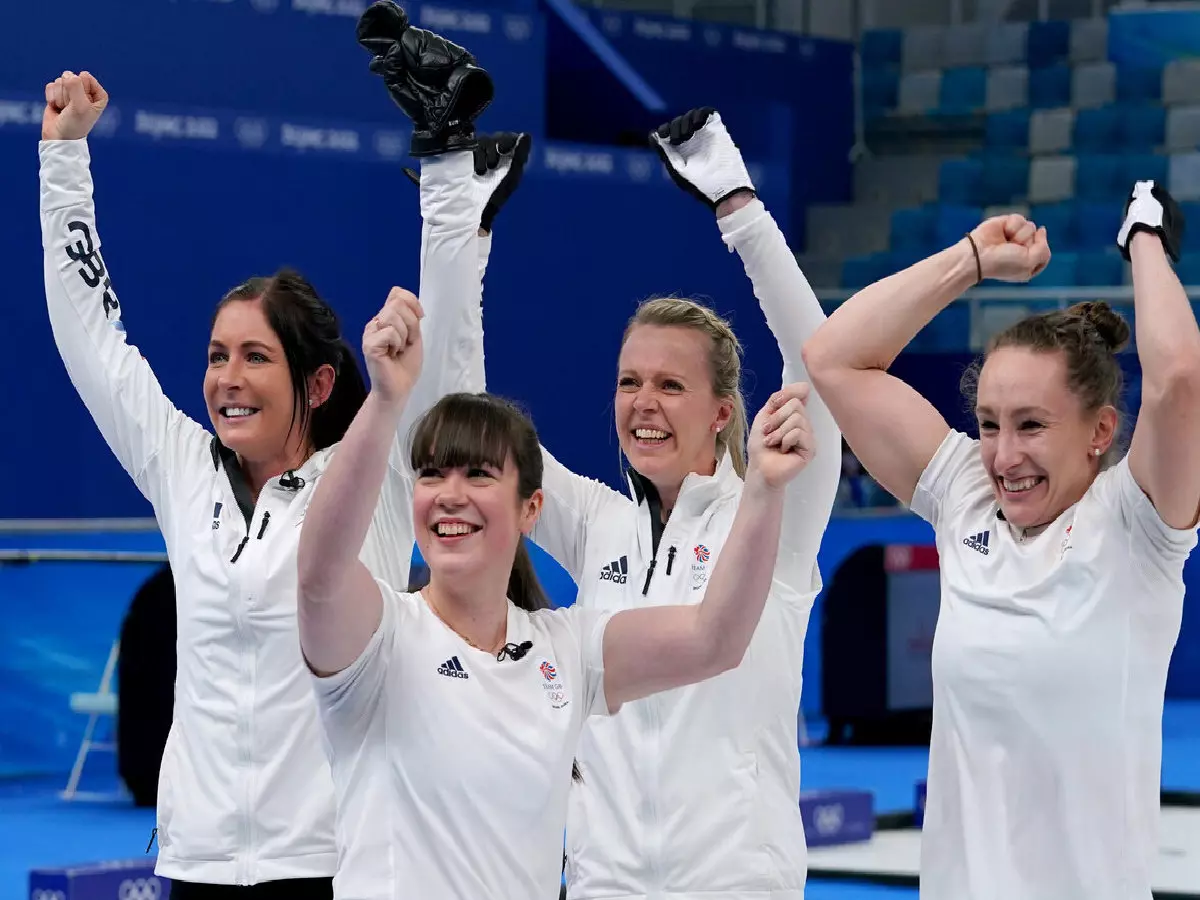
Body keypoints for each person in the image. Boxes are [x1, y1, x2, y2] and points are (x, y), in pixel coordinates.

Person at [367, 45, 843, 892]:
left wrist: (739, 208)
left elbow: (826, 373)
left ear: (723, 412)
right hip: (602, 884)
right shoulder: (594, 521)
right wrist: (455, 231)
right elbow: (460, 416)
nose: (642, 403)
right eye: (629, 382)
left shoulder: (772, 511)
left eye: (669, 385)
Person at [39, 65, 521, 898]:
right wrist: (63, 161)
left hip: (333, 867)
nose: (227, 376)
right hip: (193, 863)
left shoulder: (364, 481)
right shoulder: (182, 469)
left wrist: (445, 178)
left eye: (256, 357)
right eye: (218, 355)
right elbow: (93, 343)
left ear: (319, 384)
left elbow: (448, 386)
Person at [294, 286, 817, 900]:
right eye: (431, 474)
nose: (451, 494)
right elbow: (319, 576)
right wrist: (385, 403)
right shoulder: (380, 639)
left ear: (531, 509)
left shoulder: (566, 651)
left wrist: (761, 492)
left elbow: (715, 638)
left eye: (479, 476)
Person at [801, 184, 1200, 899]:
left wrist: (1145, 235)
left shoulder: (1137, 526)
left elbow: (1178, 377)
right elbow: (834, 358)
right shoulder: (965, 499)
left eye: (1032, 425)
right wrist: (971, 260)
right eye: (989, 423)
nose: (1004, 455)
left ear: (1101, 433)